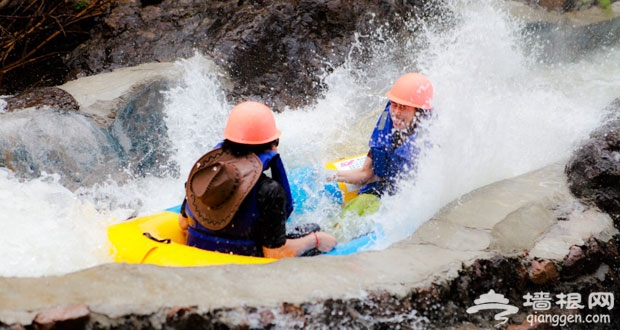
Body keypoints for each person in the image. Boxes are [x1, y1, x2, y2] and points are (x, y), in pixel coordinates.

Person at [178, 101, 337, 258]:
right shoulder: (269, 190)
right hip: (245, 262)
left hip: (199, 252)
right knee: (314, 229)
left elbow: (183, 223)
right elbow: (274, 254)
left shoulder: (205, 176)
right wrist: (316, 240)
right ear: (272, 146)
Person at [329, 72, 434, 211]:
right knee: (355, 208)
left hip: (400, 201)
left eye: (403, 107)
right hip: (379, 189)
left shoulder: (428, 144)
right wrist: (329, 176)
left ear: (419, 112)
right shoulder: (388, 127)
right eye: (394, 105)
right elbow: (366, 174)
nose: (396, 112)